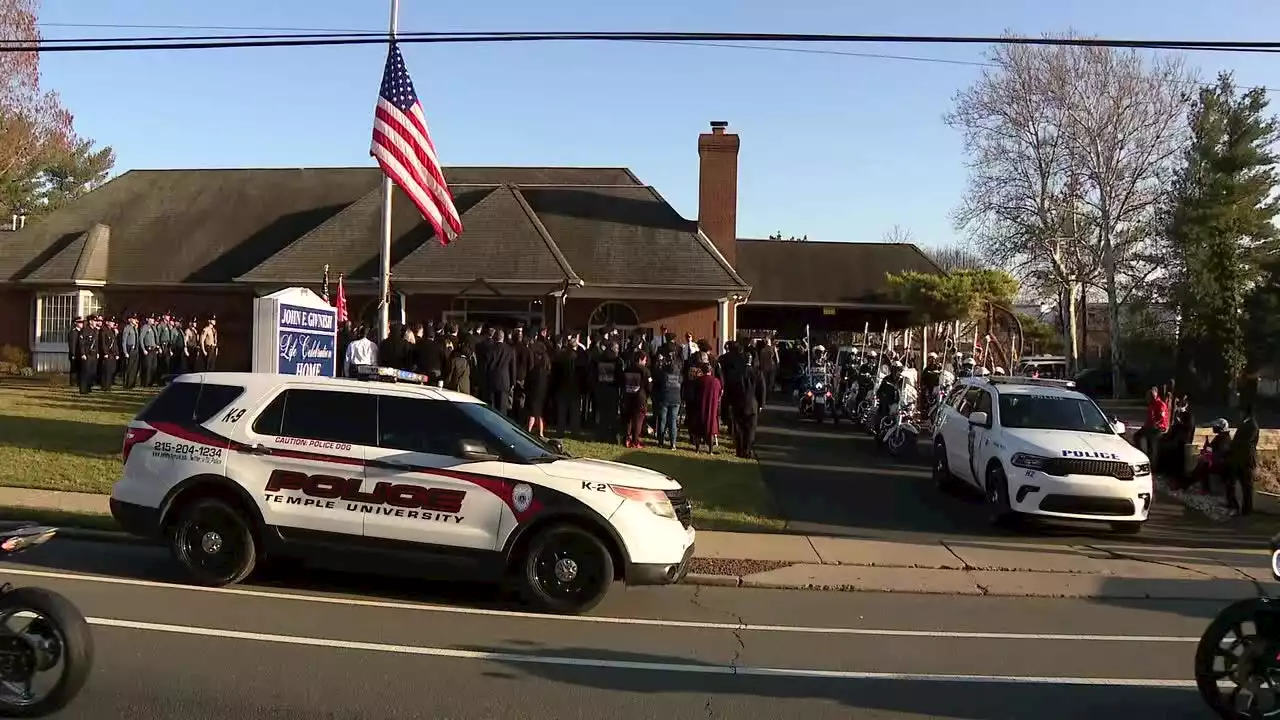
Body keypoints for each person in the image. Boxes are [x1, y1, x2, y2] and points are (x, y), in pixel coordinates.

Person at [1226, 404, 1260, 516]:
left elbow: (1247, 444)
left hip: (1246, 460)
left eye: (1241, 412)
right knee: (1231, 483)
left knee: (1247, 486)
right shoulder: (1244, 424)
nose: (1239, 415)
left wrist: (1235, 448)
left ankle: (1247, 510)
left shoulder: (1253, 426)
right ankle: (1233, 505)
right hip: (1237, 459)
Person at [651, 348, 682, 450]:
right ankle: (673, 443)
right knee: (673, 421)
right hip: (676, 398)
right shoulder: (679, 375)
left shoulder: (663, 374)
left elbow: (656, 378)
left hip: (665, 398)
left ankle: (660, 441)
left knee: (663, 420)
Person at [690, 361, 722, 453]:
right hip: (712, 408)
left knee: (698, 430)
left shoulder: (698, 381)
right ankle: (711, 450)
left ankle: (697, 449)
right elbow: (719, 393)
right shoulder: (716, 381)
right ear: (710, 371)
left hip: (700, 406)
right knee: (710, 430)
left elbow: (694, 394)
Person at [621, 353, 651, 448]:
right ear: (640, 360)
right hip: (640, 397)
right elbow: (649, 386)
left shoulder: (627, 369)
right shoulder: (645, 370)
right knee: (638, 419)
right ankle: (635, 440)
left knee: (628, 419)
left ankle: (626, 439)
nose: (645, 362)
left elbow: (623, 382)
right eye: (645, 360)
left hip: (628, 396)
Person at [483, 330, 517, 414]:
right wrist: (513, 382)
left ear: (494, 338)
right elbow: (512, 367)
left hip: (492, 381)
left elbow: (485, 367)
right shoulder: (510, 350)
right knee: (502, 408)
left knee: (492, 408)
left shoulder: (489, 350)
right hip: (505, 381)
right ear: (503, 337)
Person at [524, 337, 552, 439]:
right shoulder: (547, 369)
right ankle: (540, 433)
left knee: (532, 413)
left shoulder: (535, 370)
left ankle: (529, 430)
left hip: (535, 392)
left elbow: (529, 380)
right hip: (543, 393)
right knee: (539, 414)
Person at [1136, 386, 1169, 461]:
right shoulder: (1152, 404)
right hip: (1150, 427)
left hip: (1158, 428)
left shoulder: (1160, 404)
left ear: (1155, 394)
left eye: (1150, 395)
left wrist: (1155, 425)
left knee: (1149, 438)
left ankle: (1149, 456)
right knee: (1138, 436)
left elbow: (1161, 418)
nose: (1148, 398)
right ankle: (1143, 454)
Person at [76, 316, 100, 394]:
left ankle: (89, 387)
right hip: (87, 354)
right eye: (94, 321)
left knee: (92, 372)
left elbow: (96, 343)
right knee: (85, 372)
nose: (96, 322)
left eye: (96, 321)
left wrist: (97, 352)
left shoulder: (95, 331)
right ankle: (83, 389)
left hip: (93, 354)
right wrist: (83, 353)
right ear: (90, 322)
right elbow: (81, 343)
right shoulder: (85, 330)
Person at [98, 317, 120, 390]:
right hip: (107, 353)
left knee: (111, 370)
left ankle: (109, 385)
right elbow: (103, 343)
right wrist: (105, 352)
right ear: (107, 322)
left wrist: (117, 353)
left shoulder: (112, 331)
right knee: (106, 370)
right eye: (111, 322)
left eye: (113, 322)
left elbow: (115, 343)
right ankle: (104, 386)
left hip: (113, 354)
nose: (112, 323)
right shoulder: (103, 331)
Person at [120, 314, 140, 388]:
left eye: (136, 319)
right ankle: (127, 384)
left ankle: (132, 383)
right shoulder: (127, 328)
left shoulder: (135, 328)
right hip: (129, 348)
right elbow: (124, 341)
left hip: (135, 349)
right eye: (134, 319)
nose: (135, 320)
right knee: (129, 368)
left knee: (134, 368)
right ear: (130, 320)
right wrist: (125, 352)